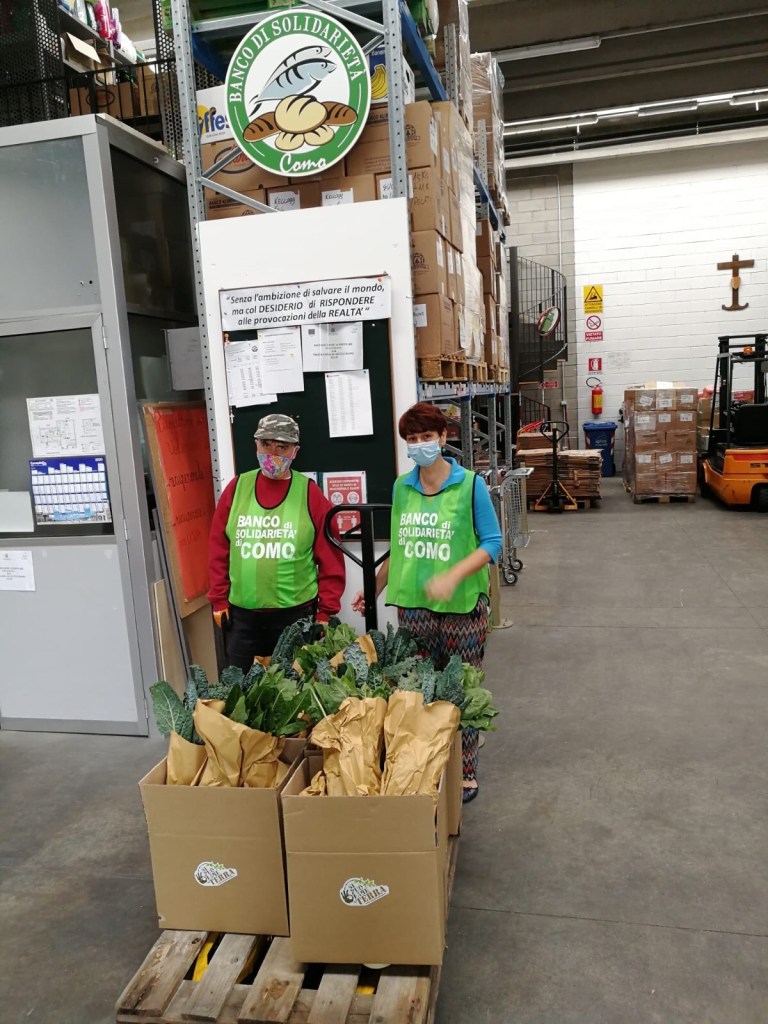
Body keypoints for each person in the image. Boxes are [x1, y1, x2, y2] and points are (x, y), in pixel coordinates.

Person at [352, 402, 502, 803]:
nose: (420, 444)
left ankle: (465, 771)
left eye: (427, 436)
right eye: (412, 439)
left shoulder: (470, 485)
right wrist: (375, 585)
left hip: (463, 609)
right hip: (415, 609)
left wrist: (454, 575)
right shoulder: (402, 487)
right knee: (418, 691)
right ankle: (429, 765)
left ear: (443, 437)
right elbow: (399, 546)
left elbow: (493, 543)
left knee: (460, 690)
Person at [208, 413, 346, 671]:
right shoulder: (237, 488)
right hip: (241, 620)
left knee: (295, 689)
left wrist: (325, 613)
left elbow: (331, 560)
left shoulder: (310, 494)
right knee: (242, 689)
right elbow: (218, 548)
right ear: (255, 445)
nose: (272, 453)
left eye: (281, 447)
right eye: (266, 444)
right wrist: (218, 599)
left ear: (295, 451)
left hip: (295, 619)